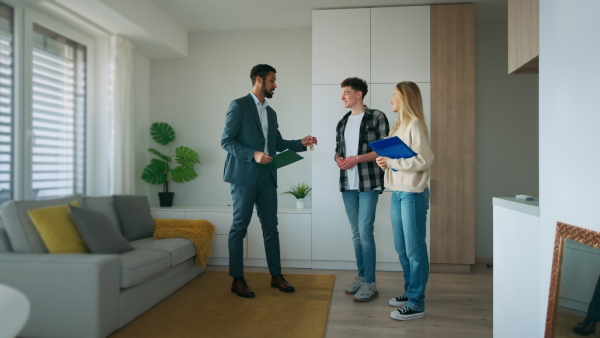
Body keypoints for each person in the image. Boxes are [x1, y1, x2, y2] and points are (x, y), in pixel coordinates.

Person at [221, 64, 317, 298]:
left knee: (271, 228)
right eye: (272, 80)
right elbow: (227, 141)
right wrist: (253, 154)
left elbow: (277, 143)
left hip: (268, 176)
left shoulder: (271, 112)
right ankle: (237, 279)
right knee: (239, 228)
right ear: (259, 80)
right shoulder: (238, 106)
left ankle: (276, 276)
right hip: (243, 177)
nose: (275, 85)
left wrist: (301, 143)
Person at [376, 81, 434, 320]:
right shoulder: (398, 127)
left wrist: (391, 162)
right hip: (398, 192)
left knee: (414, 249)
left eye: (394, 96)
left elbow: (424, 160)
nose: (391, 100)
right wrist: (385, 163)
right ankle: (411, 292)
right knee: (402, 248)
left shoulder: (414, 125)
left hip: (412, 194)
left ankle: (416, 303)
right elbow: (397, 162)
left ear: (405, 98)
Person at [335, 77, 389, 302]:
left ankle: (370, 283)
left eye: (347, 92)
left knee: (365, 232)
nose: (343, 96)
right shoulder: (342, 122)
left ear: (359, 94)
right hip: (348, 184)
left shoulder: (377, 116)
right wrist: (339, 159)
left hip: (369, 183)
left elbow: (384, 148)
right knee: (356, 234)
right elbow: (337, 150)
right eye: (342, 93)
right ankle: (361, 276)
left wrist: (356, 159)